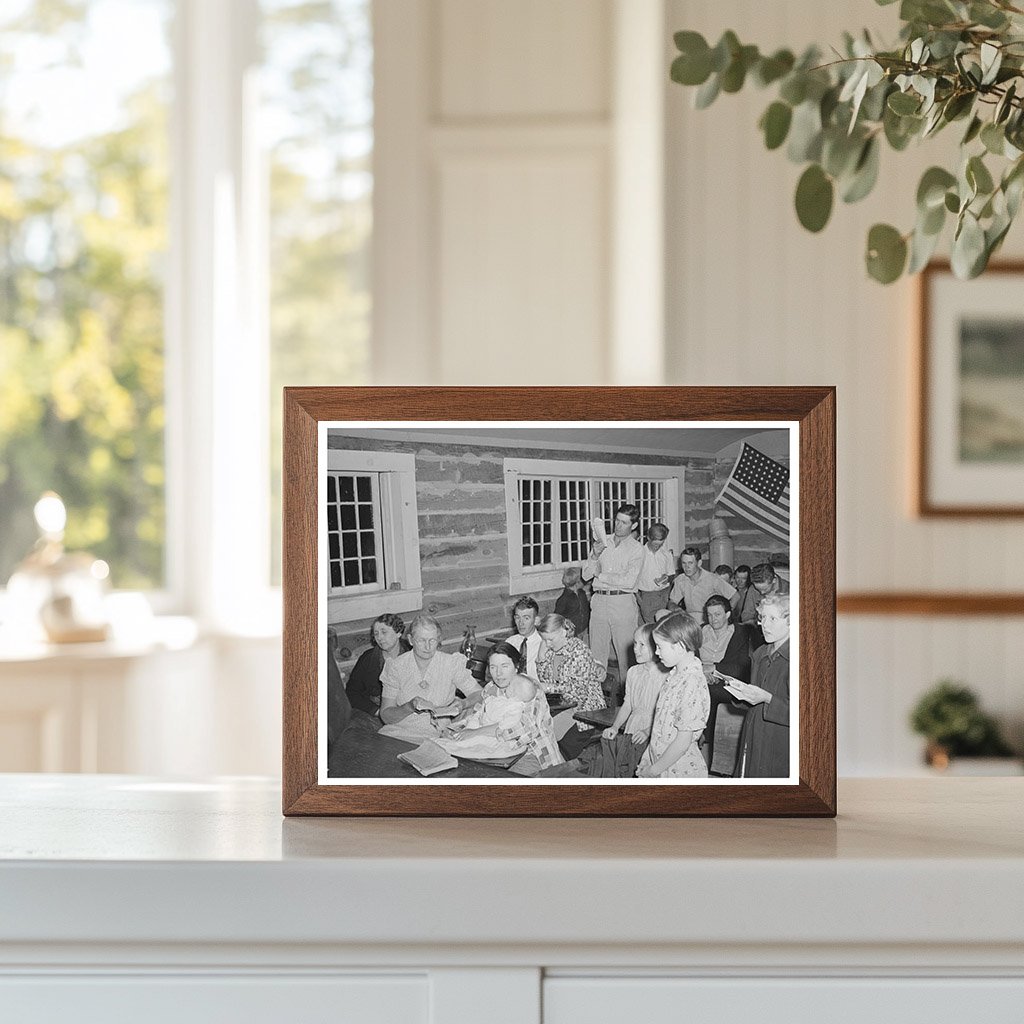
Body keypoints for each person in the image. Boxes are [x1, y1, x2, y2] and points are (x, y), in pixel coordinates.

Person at [440, 642, 562, 774]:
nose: (498, 673)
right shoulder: (490, 688)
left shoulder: (529, 688)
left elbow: (525, 730)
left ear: (516, 667)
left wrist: (476, 732)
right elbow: (479, 715)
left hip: (532, 755)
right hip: (496, 752)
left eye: (504, 666)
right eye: (493, 667)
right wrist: (457, 729)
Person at [636, 611, 710, 779]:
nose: (656, 653)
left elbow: (683, 741)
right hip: (660, 764)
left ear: (680, 646)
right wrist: (647, 758)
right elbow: (660, 725)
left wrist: (654, 770)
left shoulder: (692, 682)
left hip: (679, 770)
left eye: (660, 647)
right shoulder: (675, 675)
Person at [723, 594, 791, 778]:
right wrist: (741, 693)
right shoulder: (760, 653)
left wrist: (767, 699)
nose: (764, 625)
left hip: (780, 738)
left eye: (772, 619)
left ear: (791, 621)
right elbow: (755, 698)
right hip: (754, 731)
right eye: (762, 618)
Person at [581, 504, 645, 697]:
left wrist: (601, 576)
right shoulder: (602, 541)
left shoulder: (637, 550)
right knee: (596, 654)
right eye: (617, 520)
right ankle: (595, 700)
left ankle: (630, 702)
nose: (618, 526)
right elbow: (585, 575)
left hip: (623, 602)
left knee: (627, 657)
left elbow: (629, 581)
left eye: (624, 523)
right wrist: (594, 554)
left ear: (633, 526)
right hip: (599, 601)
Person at [379, 614, 482, 727]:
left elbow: (479, 694)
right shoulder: (396, 667)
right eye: (421, 640)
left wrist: (464, 703)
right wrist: (409, 707)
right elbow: (386, 716)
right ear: (411, 640)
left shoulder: (451, 664)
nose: (427, 647)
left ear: (439, 640)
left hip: (439, 733)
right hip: (400, 731)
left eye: (432, 640)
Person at [535, 612, 607, 759]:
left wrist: (548, 687)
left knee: (564, 745)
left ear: (563, 632)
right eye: (544, 640)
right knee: (544, 735)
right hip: (566, 706)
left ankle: (567, 772)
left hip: (587, 709)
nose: (547, 644)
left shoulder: (579, 650)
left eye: (550, 640)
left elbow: (577, 690)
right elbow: (546, 678)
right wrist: (541, 658)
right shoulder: (552, 651)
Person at [602, 622, 667, 747]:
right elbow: (628, 704)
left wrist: (648, 731)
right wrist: (615, 727)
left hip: (656, 729)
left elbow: (666, 713)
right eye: (635, 643)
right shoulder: (633, 672)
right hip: (634, 725)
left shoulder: (665, 675)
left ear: (656, 647)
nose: (636, 649)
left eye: (642, 645)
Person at [344, 613, 411, 716]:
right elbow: (352, 692)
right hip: (374, 713)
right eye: (376, 633)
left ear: (398, 633)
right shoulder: (368, 658)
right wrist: (377, 712)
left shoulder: (411, 655)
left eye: (384, 632)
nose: (379, 637)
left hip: (406, 711)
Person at [699, 595, 754, 683]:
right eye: (709, 615)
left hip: (726, 683)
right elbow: (690, 659)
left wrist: (714, 668)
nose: (713, 619)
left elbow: (742, 668)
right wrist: (703, 673)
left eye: (717, 614)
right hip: (699, 678)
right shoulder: (700, 632)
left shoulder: (739, 634)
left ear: (727, 614)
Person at [668, 546, 736, 617]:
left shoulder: (712, 579)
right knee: (661, 613)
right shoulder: (680, 579)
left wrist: (724, 616)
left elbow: (735, 596)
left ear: (699, 563)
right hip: (689, 617)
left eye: (690, 563)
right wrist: (677, 609)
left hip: (707, 618)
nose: (686, 567)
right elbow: (671, 602)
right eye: (684, 563)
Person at [636, 523, 675, 624]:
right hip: (647, 596)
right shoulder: (639, 554)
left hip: (664, 594)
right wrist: (640, 600)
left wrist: (667, 578)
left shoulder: (666, 554)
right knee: (652, 628)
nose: (657, 547)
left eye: (660, 544)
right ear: (648, 538)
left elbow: (672, 574)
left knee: (663, 627)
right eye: (655, 545)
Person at [749, 562, 790, 646]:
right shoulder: (752, 589)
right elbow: (747, 614)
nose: (762, 592)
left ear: (774, 580)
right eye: (758, 589)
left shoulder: (790, 590)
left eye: (765, 589)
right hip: (759, 637)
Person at [506, 597, 543, 679]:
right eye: (517, 617)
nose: (521, 623)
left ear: (536, 620)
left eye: (526, 618)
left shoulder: (543, 643)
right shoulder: (510, 642)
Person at [554, 566, 591, 641]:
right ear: (577, 582)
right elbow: (557, 616)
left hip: (582, 628)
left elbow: (586, 608)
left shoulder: (582, 593)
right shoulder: (564, 599)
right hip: (570, 632)